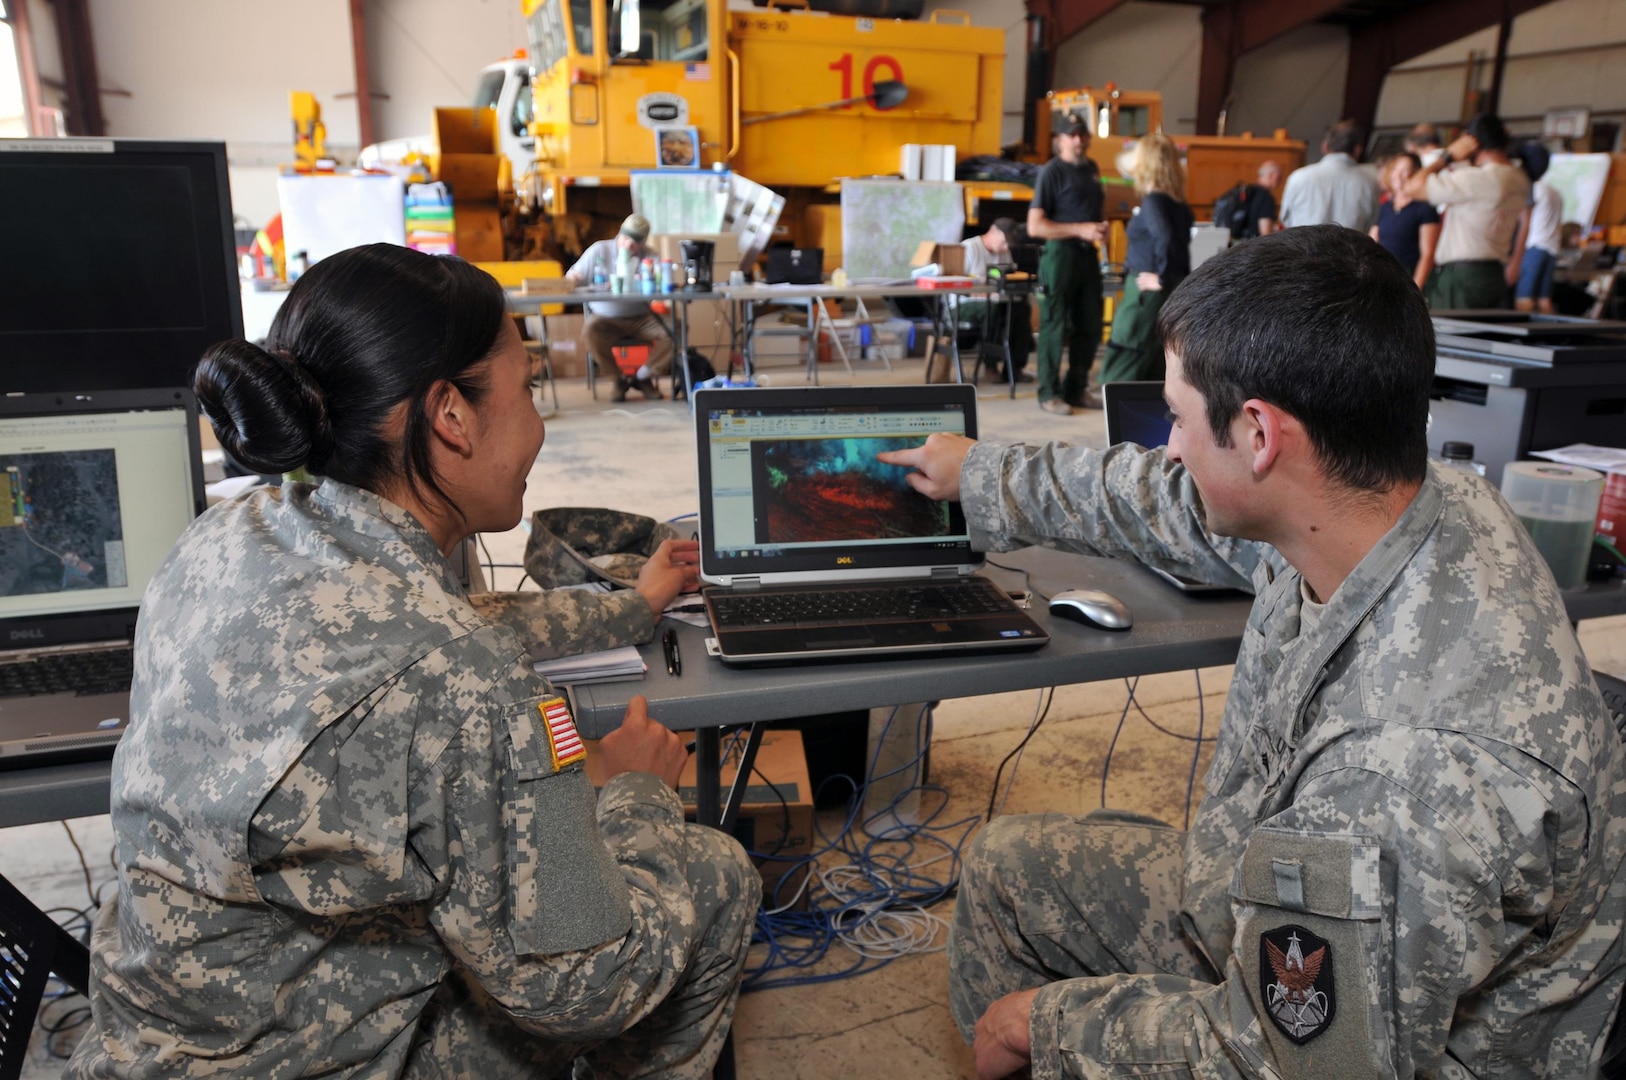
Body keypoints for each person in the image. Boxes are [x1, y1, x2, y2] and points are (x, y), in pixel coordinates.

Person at [877, 225, 1625, 1079]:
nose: (1170, 444)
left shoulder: (1403, 778)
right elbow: (1168, 499)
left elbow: (1289, 1060)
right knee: (1009, 868)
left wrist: (1046, 1026)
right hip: (1280, 900)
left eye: (1179, 417)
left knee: (1033, 1022)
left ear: (1261, 435)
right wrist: (982, 475)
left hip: (1399, 1048)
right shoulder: (1391, 497)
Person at [67, 244, 759, 1080]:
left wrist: (632, 606)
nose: (538, 424)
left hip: (151, 1040)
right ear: (451, 417)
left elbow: (436, 625)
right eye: (529, 390)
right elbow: (585, 986)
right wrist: (634, 795)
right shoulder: (468, 685)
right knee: (711, 873)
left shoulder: (227, 538)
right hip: (320, 1062)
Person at [1404, 112, 1529, 310]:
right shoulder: (1519, 177)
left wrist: (1447, 156)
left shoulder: (1477, 179)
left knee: (1452, 339)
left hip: (1463, 277)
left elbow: (1413, 188)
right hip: (1494, 273)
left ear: (1473, 142)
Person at [1028, 111, 1109, 415]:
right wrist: (1080, 229)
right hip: (1060, 255)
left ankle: (1076, 390)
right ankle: (1049, 392)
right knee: (1054, 324)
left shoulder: (1092, 169)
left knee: (1089, 324)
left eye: (1082, 134)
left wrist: (1099, 229)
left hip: (1088, 254)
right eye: (1071, 134)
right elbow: (1036, 226)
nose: (1078, 140)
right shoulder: (1052, 172)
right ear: (1059, 140)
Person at [1095, 134, 1193, 386]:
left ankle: (1117, 419)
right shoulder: (1177, 204)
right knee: (1154, 360)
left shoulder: (1154, 202)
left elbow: (1166, 238)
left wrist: (1160, 277)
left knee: (1126, 357)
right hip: (1167, 289)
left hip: (1145, 293)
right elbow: (1178, 248)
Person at [565, 213, 675, 401]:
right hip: (606, 317)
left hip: (641, 316)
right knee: (590, 331)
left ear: (643, 243)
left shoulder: (648, 256)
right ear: (619, 234)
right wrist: (573, 279)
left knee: (675, 329)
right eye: (625, 240)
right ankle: (618, 380)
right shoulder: (599, 250)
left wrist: (654, 278)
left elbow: (662, 282)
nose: (629, 247)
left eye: (635, 245)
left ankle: (643, 376)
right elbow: (572, 277)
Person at [956, 217, 1034, 382]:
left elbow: (1011, 278)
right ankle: (990, 365)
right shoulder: (969, 248)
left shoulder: (1005, 252)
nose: (1006, 248)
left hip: (998, 301)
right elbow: (957, 286)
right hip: (962, 304)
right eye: (1004, 243)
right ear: (994, 232)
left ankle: (1014, 367)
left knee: (1021, 309)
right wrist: (983, 294)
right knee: (993, 310)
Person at [1278, 119, 1380, 232]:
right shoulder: (1371, 183)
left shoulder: (1298, 177)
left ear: (1325, 146)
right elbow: (1372, 224)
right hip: (1348, 249)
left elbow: (1285, 219)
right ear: (1357, 150)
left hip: (1302, 248)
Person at [1369, 151, 1440, 289]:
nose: (1398, 176)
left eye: (1405, 170)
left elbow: (1427, 254)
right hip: (1384, 275)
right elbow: (1372, 240)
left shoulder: (1424, 208)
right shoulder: (1386, 207)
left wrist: (1416, 289)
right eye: (1395, 169)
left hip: (1409, 276)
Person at [1514, 141, 1562, 314]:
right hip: (1551, 248)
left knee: (1524, 300)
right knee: (1544, 300)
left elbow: (1522, 220)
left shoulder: (1532, 189)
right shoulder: (1553, 191)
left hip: (1534, 247)